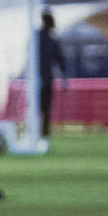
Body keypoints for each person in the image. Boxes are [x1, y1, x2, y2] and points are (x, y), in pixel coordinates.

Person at [38, 10, 67, 138]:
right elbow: (60, 60)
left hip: (37, 78)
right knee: (45, 107)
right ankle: (44, 134)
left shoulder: (36, 39)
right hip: (46, 78)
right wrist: (64, 77)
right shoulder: (51, 41)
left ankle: (35, 131)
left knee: (35, 105)